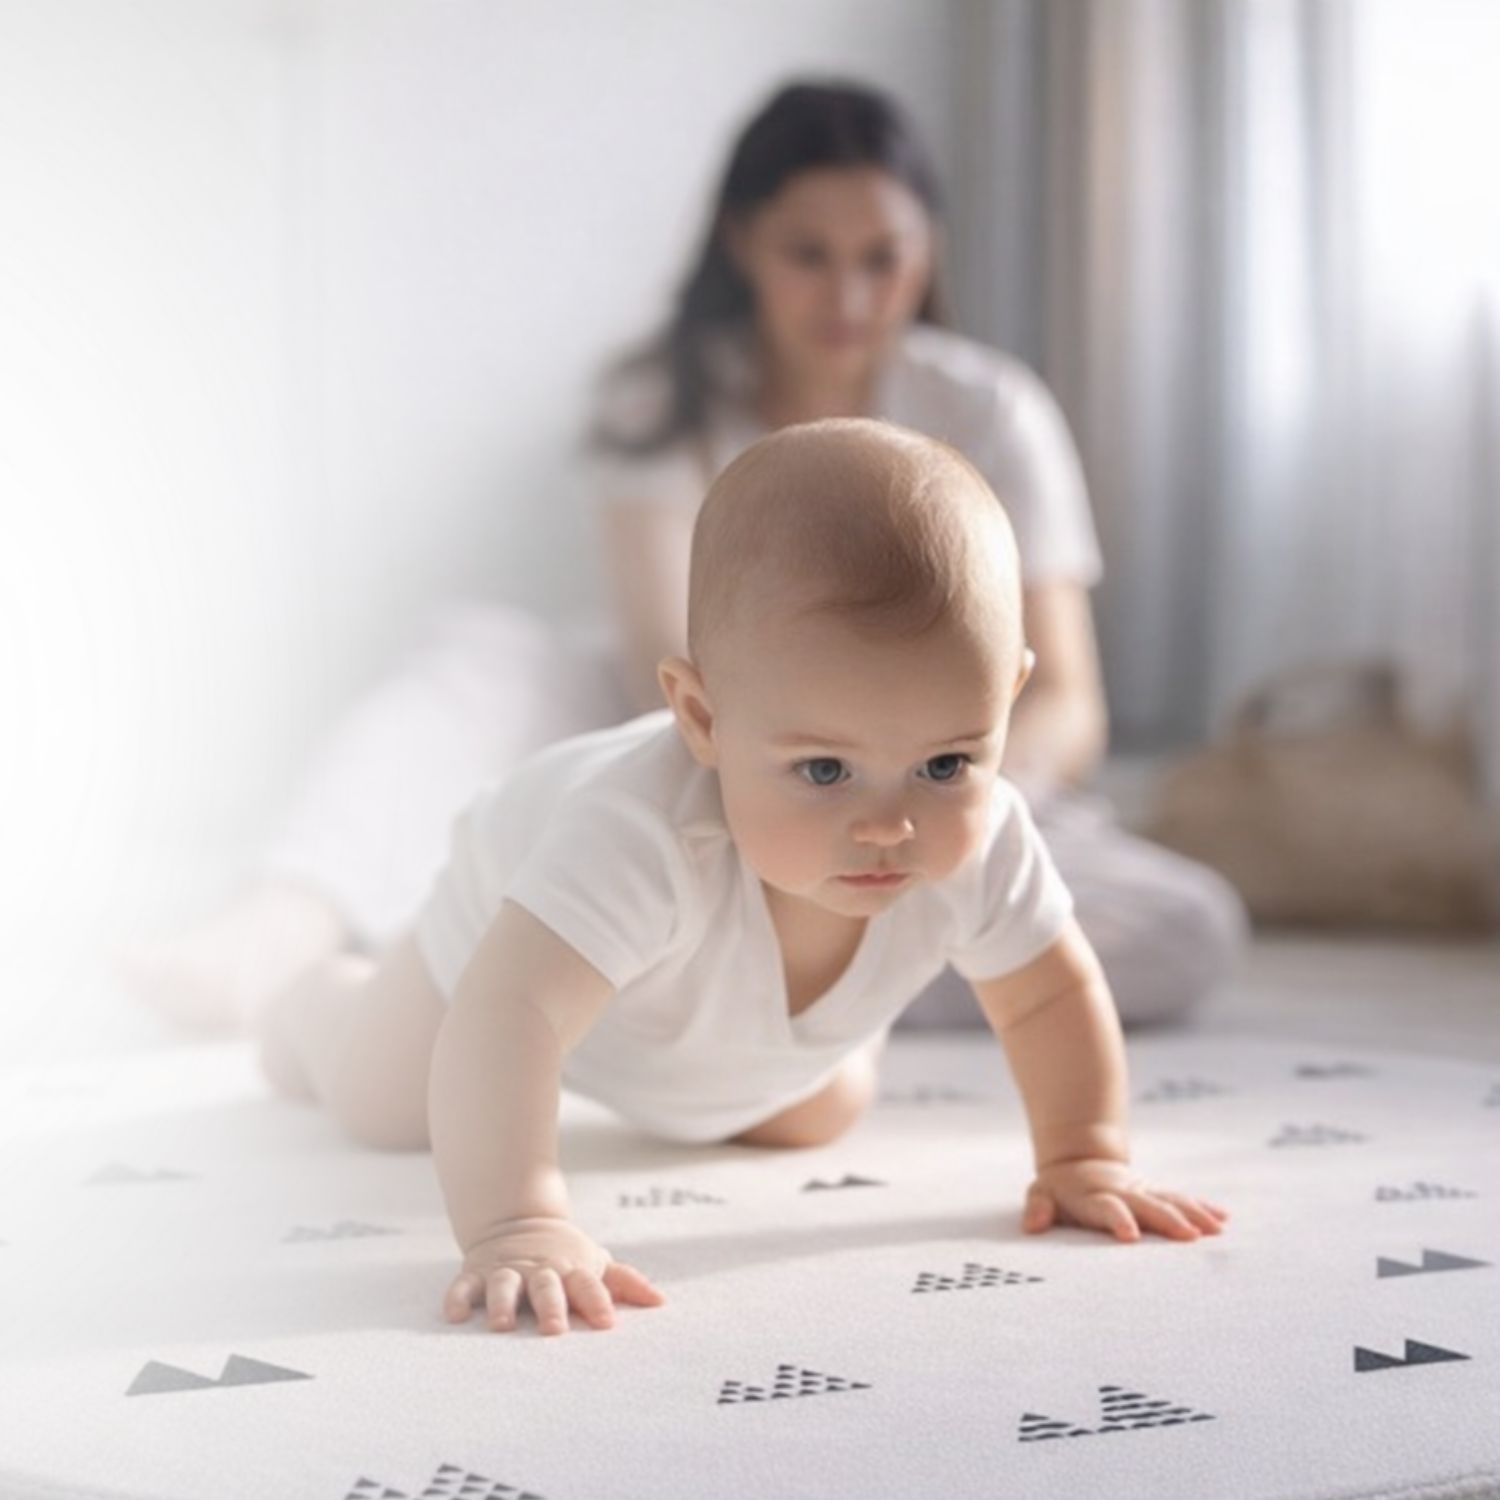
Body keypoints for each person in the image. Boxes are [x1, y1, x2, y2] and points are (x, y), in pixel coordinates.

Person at [117, 78, 1249, 1036]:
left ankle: (627, 976)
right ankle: (287, 923)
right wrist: (790, 785)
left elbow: (1066, 704)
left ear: (927, 255)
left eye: (883, 259)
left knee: (1184, 928)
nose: (850, 297)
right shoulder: (661, 398)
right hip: (688, 746)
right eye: (812, 255)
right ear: (743, 242)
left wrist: (930, 792)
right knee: (477, 657)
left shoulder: (992, 406)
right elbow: (676, 660)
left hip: (912, 784)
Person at [256, 419, 1232, 1337]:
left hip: (694, 1016)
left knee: (817, 1113)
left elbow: (1046, 994)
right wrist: (518, 1222)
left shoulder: (986, 839)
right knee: (385, 1103)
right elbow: (512, 1018)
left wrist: (1083, 1155)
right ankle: (319, 1001)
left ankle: (773, 1042)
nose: (890, 824)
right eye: (823, 770)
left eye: (946, 764)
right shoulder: (637, 834)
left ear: (1005, 700)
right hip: (501, 954)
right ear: (704, 719)